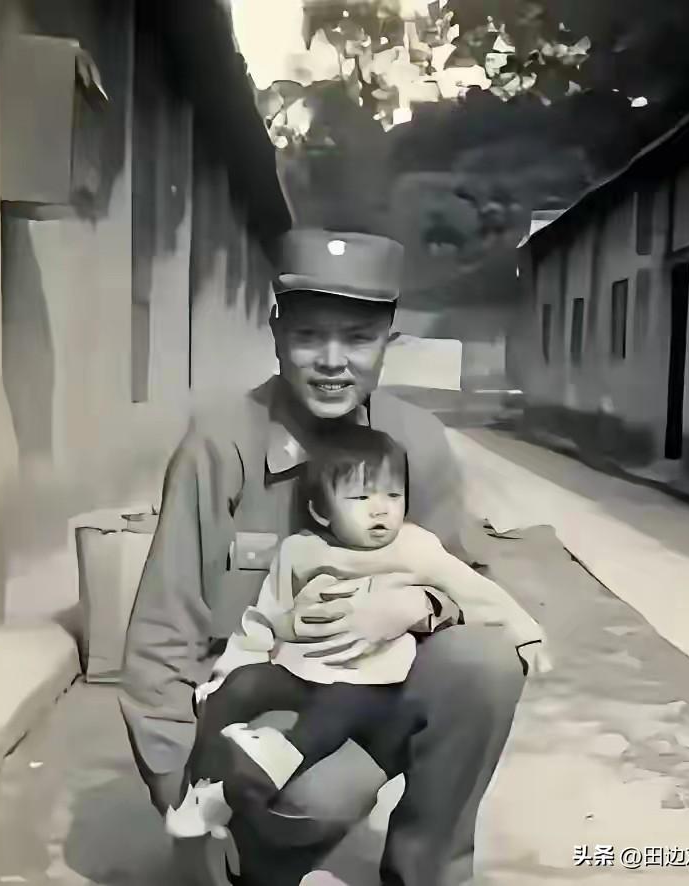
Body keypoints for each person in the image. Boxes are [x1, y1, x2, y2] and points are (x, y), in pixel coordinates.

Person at [120, 229, 535, 886]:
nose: (333, 361)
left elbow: (468, 590)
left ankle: (429, 873)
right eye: (311, 336)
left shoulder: (417, 444)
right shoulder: (220, 444)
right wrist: (180, 796)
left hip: (371, 689)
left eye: (358, 338)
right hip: (259, 708)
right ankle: (254, 855)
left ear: (388, 344)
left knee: (485, 665)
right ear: (277, 331)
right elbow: (161, 635)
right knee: (303, 799)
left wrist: (417, 603)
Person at [163, 427, 550, 845]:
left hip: (369, 679)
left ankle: (276, 757)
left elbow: (472, 589)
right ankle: (201, 787)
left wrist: (525, 634)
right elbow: (263, 617)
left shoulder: (414, 548)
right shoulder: (301, 550)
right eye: (361, 498)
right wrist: (232, 670)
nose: (380, 511)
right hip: (300, 667)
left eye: (392, 496)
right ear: (323, 511)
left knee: (338, 708)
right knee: (238, 687)